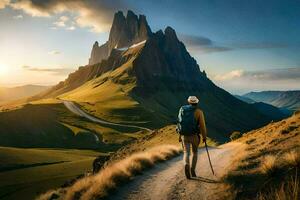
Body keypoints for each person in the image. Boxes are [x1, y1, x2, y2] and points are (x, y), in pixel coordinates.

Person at [177, 96, 207, 179]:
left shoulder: (182, 109)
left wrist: (180, 135)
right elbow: (202, 126)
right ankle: (192, 169)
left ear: (189, 102)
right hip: (194, 136)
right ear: (197, 102)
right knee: (195, 152)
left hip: (184, 136)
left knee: (186, 152)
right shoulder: (199, 112)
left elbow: (180, 123)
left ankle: (186, 163)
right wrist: (204, 137)